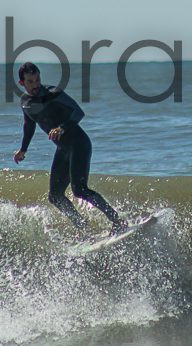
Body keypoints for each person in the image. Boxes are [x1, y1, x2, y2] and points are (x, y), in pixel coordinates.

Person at [13, 62, 126, 234]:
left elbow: (79, 112)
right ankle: (84, 229)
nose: (35, 85)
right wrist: (23, 149)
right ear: (21, 83)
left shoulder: (53, 93)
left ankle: (118, 221)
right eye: (30, 82)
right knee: (55, 196)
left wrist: (63, 127)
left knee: (80, 189)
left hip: (79, 144)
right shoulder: (25, 103)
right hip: (63, 149)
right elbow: (29, 125)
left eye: (37, 80)